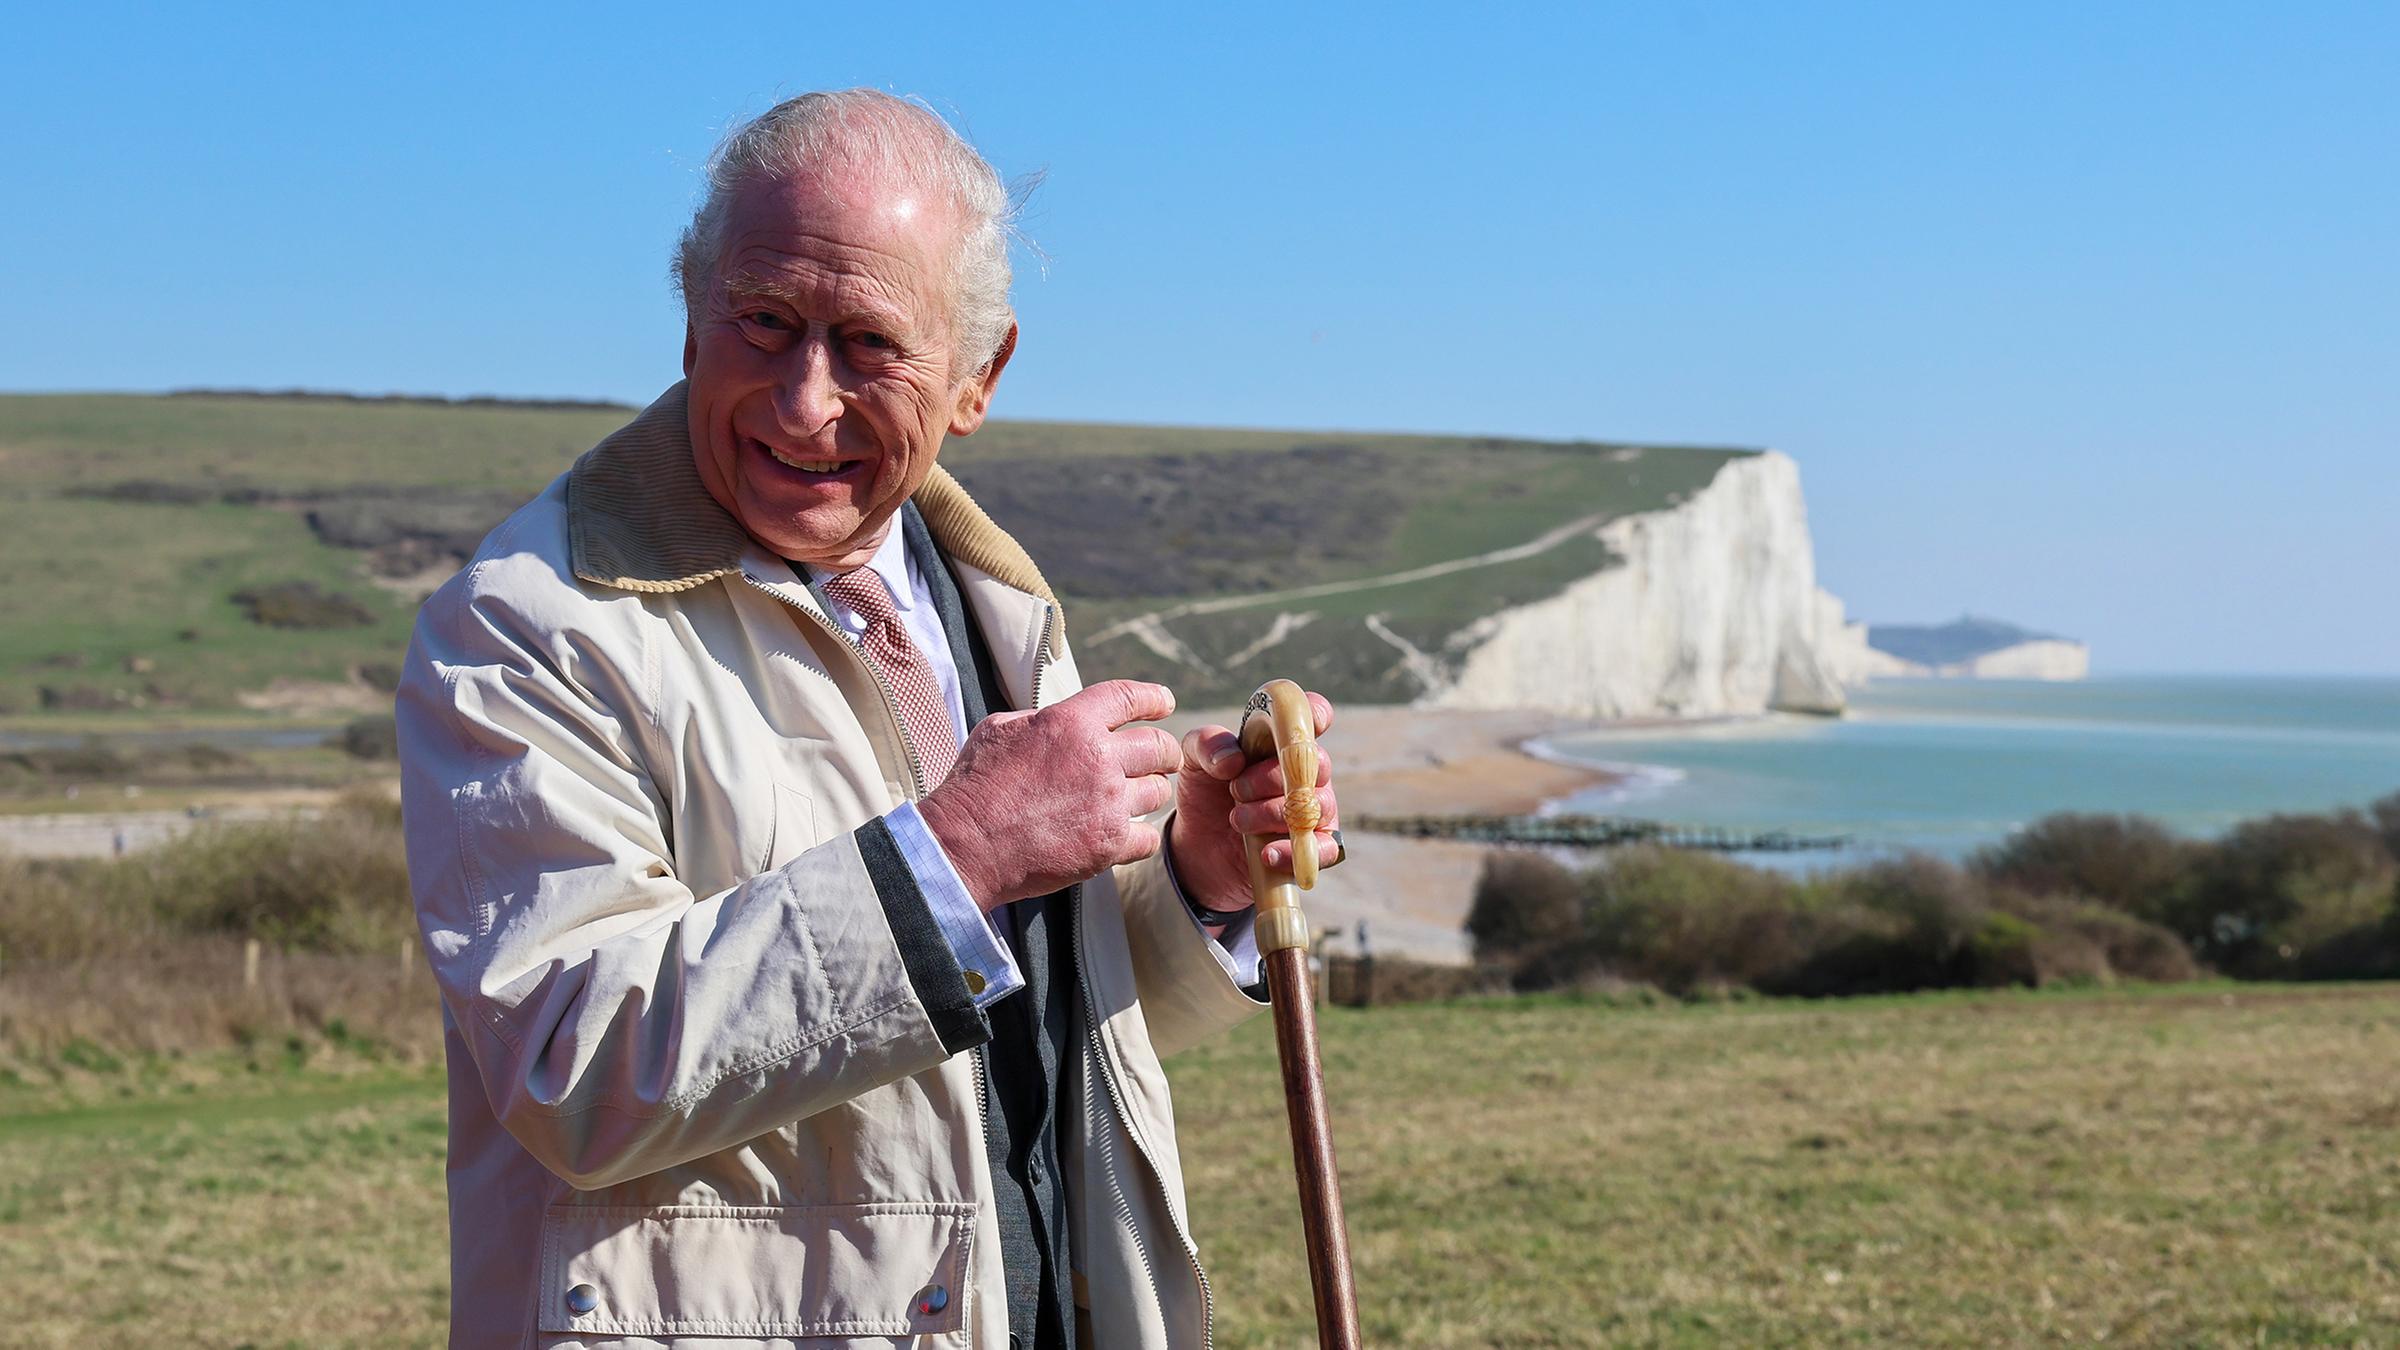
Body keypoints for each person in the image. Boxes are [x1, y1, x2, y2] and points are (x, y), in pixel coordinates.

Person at [397, 88, 1341, 1350]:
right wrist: (962, 853)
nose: (804, 402)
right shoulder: (530, 625)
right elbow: (573, 1064)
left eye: (868, 345)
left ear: (978, 378)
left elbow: (1011, 1042)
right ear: (690, 319)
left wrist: (1198, 883)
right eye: (764, 321)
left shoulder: (989, 602)